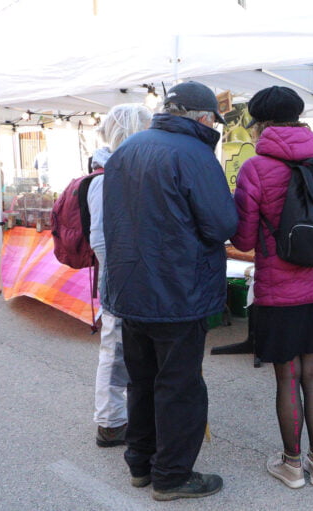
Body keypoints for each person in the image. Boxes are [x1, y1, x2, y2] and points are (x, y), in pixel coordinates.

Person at [102, 81, 239, 501]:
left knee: (141, 382)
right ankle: (172, 476)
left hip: (131, 287)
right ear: (202, 118)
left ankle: (141, 465)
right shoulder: (195, 154)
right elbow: (222, 225)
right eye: (213, 119)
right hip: (179, 292)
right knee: (179, 386)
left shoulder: (127, 149)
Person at [232, 85, 313, 489]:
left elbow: (243, 239)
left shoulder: (255, 168)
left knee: (287, 377)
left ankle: (292, 466)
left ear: (261, 123)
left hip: (279, 290)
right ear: (298, 116)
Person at [86, 104, 153, 449]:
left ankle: (126, 416)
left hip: (130, 274)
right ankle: (110, 423)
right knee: (114, 349)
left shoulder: (123, 168)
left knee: (127, 349)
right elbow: (101, 238)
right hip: (120, 276)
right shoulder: (105, 176)